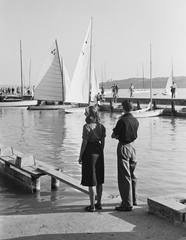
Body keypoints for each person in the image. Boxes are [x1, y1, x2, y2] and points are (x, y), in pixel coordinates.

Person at [111, 100, 139, 211]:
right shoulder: (135, 120)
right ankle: (134, 199)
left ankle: (126, 204)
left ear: (124, 108)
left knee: (124, 176)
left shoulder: (122, 121)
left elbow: (114, 135)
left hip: (123, 146)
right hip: (133, 147)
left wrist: (117, 136)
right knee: (133, 174)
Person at [78, 106, 106, 212]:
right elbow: (103, 142)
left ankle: (92, 205)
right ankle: (99, 203)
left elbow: (84, 143)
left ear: (89, 114)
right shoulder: (101, 127)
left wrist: (81, 156)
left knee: (91, 179)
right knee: (99, 179)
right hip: (99, 150)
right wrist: (101, 151)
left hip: (89, 151)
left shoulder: (86, 127)